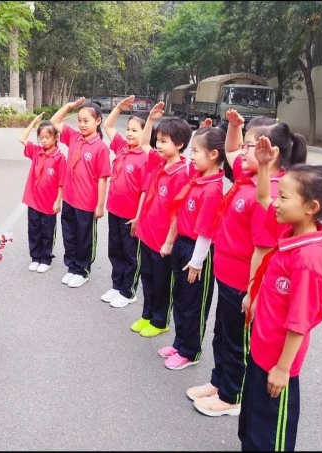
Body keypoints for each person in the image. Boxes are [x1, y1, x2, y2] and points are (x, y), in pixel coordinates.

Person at [187, 109, 307, 417]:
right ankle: (219, 382)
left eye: (249, 145)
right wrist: (234, 126)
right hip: (226, 274)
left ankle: (232, 395)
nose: (242, 150)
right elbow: (230, 149)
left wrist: (252, 292)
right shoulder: (248, 177)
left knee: (236, 341)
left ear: (271, 152)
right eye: (244, 144)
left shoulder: (272, 192)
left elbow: (263, 249)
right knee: (222, 333)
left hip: (242, 281)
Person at [238, 138, 322, 451]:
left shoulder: (306, 259)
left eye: (284, 197)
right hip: (261, 350)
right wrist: (264, 166)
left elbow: (299, 322)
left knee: (269, 437)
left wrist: (282, 369)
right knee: (252, 426)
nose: (276, 202)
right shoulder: (291, 230)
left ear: (311, 208)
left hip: (277, 362)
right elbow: (263, 198)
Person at [158, 125, 226, 370]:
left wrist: (197, 262)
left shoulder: (212, 189)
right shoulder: (198, 178)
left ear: (213, 155)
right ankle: (179, 343)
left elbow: (206, 231)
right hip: (182, 244)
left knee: (193, 304)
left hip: (197, 251)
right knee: (180, 298)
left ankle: (190, 350)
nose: (191, 156)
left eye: (196, 151)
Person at [131, 101, 192, 338]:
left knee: (161, 281)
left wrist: (168, 242)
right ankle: (147, 315)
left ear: (179, 144)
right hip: (147, 234)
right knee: (147, 278)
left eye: (164, 141)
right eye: (159, 140)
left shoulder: (181, 173)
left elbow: (177, 212)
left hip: (162, 241)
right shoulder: (159, 161)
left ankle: (160, 321)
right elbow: (144, 143)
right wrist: (151, 120)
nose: (158, 144)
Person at [50, 98, 111, 288]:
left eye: (86, 121)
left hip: (86, 203)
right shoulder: (74, 137)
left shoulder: (101, 148)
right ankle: (72, 267)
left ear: (98, 121)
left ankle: (82, 270)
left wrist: (100, 205)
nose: (82, 124)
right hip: (69, 199)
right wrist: (69, 107)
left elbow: (102, 178)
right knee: (69, 235)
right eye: (79, 120)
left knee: (84, 238)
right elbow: (54, 121)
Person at [100, 95, 149, 308]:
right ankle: (116, 285)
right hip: (114, 210)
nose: (129, 133)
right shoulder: (121, 147)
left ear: (145, 133)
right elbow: (108, 126)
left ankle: (128, 291)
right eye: (128, 129)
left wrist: (138, 217)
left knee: (130, 254)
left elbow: (145, 191)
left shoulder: (145, 157)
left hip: (130, 216)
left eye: (135, 130)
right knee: (115, 249)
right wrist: (119, 107)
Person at [19, 112, 66, 274]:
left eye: (47, 137)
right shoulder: (36, 151)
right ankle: (35, 257)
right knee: (33, 229)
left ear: (56, 138)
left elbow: (61, 182)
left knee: (47, 231)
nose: (44, 140)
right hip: (33, 200)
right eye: (41, 137)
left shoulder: (59, 158)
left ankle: (46, 258)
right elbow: (23, 139)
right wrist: (33, 123)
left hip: (48, 203)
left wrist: (58, 200)